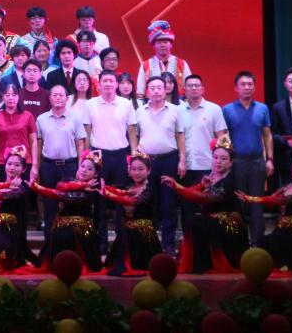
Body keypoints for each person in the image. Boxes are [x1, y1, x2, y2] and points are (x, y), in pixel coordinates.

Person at [163, 135, 248, 274]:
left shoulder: (229, 182)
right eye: (215, 157)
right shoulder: (209, 178)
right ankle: (199, 263)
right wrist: (201, 185)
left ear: (230, 162)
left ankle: (203, 263)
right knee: (195, 221)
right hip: (212, 221)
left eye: (223, 159)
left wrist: (177, 186)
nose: (218, 161)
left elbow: (206, 198)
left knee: (197, 222)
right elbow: (191, 193)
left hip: (227, 223)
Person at [83, 70, 139, 253]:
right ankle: (101, 242)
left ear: (116, 84)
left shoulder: (126, 104)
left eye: (111, 81)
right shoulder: (90, 104)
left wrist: (133, 156)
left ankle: (121, 242)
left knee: (120, 200)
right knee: (98, 201)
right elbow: (87, 133)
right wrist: (86, 158)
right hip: (98, 156)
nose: (108, 84)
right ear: (99, 84)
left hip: (121, 155)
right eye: (104, 81)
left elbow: (132, 132)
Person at [222, 71, 274, 246]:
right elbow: (224, 137)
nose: (247, 87)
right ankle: (240, 244)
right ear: (236, 88)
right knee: (239, 204)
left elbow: (267, 135)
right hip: (236, 163)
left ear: (254, 87)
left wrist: (270, 159)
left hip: (257, 162)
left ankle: (258, 244)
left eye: (250, 84)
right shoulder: (227, 110)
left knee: (257, 204)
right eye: (243, 84)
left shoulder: (262, 109)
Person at [136, 76, 187, 254]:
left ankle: (168, 245)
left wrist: (182, 159)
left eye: (160, 87)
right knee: (147, 202)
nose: (156, 91)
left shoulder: (175, 110)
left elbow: (180, 135)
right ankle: (148, 245)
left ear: (166, 90)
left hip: (169, 160)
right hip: (147, 162)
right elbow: (135, 135)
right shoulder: (139, 111)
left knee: (168, 203)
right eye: (152, 88)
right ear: (147, 91)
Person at [178, 74, 228, 251]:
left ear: (203, 89)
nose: (193, 88)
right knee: (187, 209)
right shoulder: (178, 110)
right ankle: (189, 246)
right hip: (185, 167)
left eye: (197, 85)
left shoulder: (214, 109)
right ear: (184, 89)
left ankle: (210, 247)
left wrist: (220, 166)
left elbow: (222, 137)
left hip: (208, 167)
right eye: (190, 85)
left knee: (208, 209)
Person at [32, 150, 104, 272]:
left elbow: (66, 196)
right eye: (82, 166)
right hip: (62, 226)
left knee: (72, 234)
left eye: (89, 169)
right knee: (60, 233)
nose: (84, 170)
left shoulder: (94, 190)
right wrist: (82, 185)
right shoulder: (68, 180)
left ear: (95, 174)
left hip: (82, 229)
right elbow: (60, 187)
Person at [36, 85, 88, 238]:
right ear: (50, 98)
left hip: (70, 166)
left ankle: (70, 242)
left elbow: (80, 144)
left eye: (61, 95)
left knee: (71, 206)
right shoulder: (41, 119)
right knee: (49, 207)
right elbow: (38, 145)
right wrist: (36, 167)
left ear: (66, 99)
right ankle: (49, 244)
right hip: (49, 167)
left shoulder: (75, 118)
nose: (58, 97)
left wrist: (81, 167)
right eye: (54, 95)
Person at [104, 150, 161, 276]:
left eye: (141, 169)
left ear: (149, 171)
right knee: (126, 231)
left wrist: (108, 194)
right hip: (127, 232)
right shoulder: (126, 187)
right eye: (133, 169)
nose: (136, 172)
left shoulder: (148, 190)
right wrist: (103, 188)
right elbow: (111, 188)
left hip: (143, 233)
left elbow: (135, 202)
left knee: (130, 231)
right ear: (129, 171)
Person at [0, 84, 39, 183]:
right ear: (3, 97)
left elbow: (33, 142)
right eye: (7, 95)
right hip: (2, 163)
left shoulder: (28, 115)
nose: (10, 98)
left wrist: (34, 165)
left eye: (14, 95)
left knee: (24, 192)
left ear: (18, 97)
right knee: (3, 192)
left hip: (24, 163)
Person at [135, 20, 191, 99]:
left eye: (165, 42)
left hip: (178, 104)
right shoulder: (145, 65)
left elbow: (189, 89)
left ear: (171, 44)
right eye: (159, 43)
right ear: (153, 46)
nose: (162, 45)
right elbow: (140, 93)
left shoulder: (182, 64)